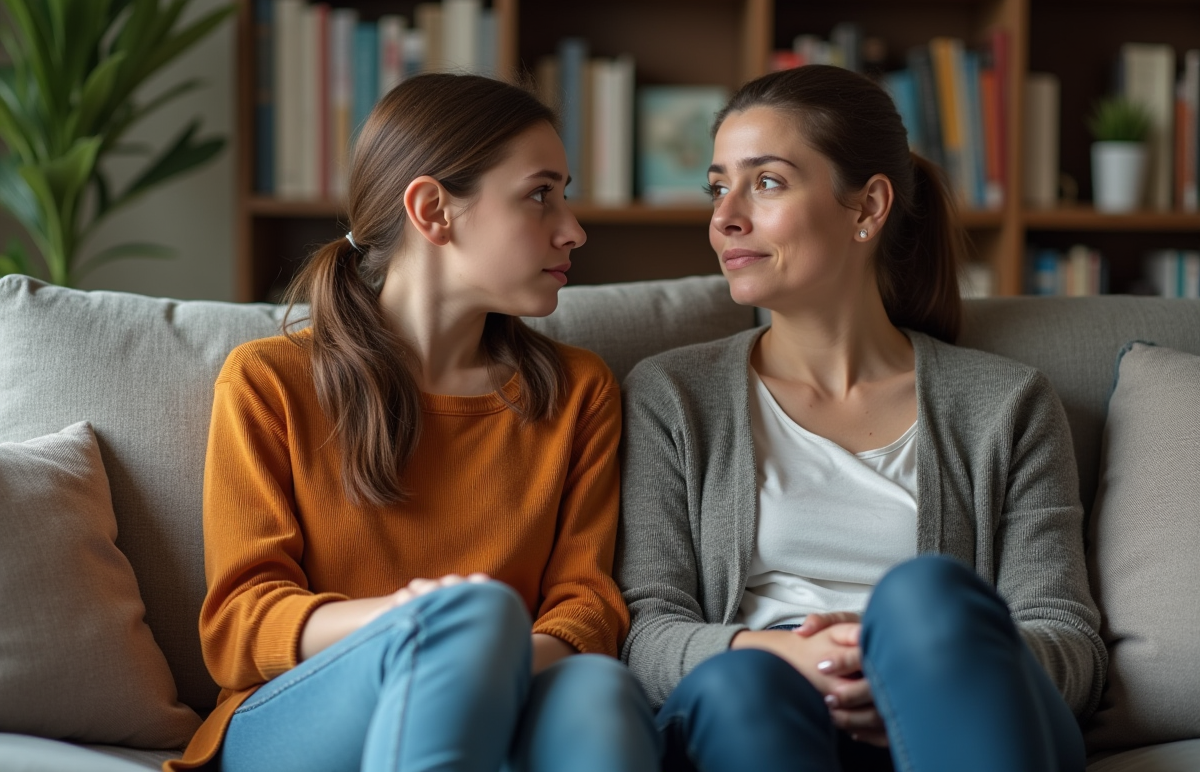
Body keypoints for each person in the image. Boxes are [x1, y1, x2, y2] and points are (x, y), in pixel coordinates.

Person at [616, 64, 1106, 772]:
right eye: (718, 186)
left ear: (868, 207)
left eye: (768, 182)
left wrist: (913, 664)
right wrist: (781, 650)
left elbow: (1070, 646)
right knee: (741, 685)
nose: (725, 217)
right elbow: (646, 631)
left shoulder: (1008, 404)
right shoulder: (672, 395)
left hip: (957, 712)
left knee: (924, 596)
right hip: (760, 710)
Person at [169, 74, 657, 772]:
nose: (572, 228)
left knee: (598, 688)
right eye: (540, 194)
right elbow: (241, 622)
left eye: (565, 194)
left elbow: (587, 607)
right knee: (477, 617)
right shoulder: (268, 382)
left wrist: (477, 664)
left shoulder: (579, 391)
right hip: (293, 721)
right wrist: (429, 627)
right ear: (434, 210)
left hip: (515, 690)